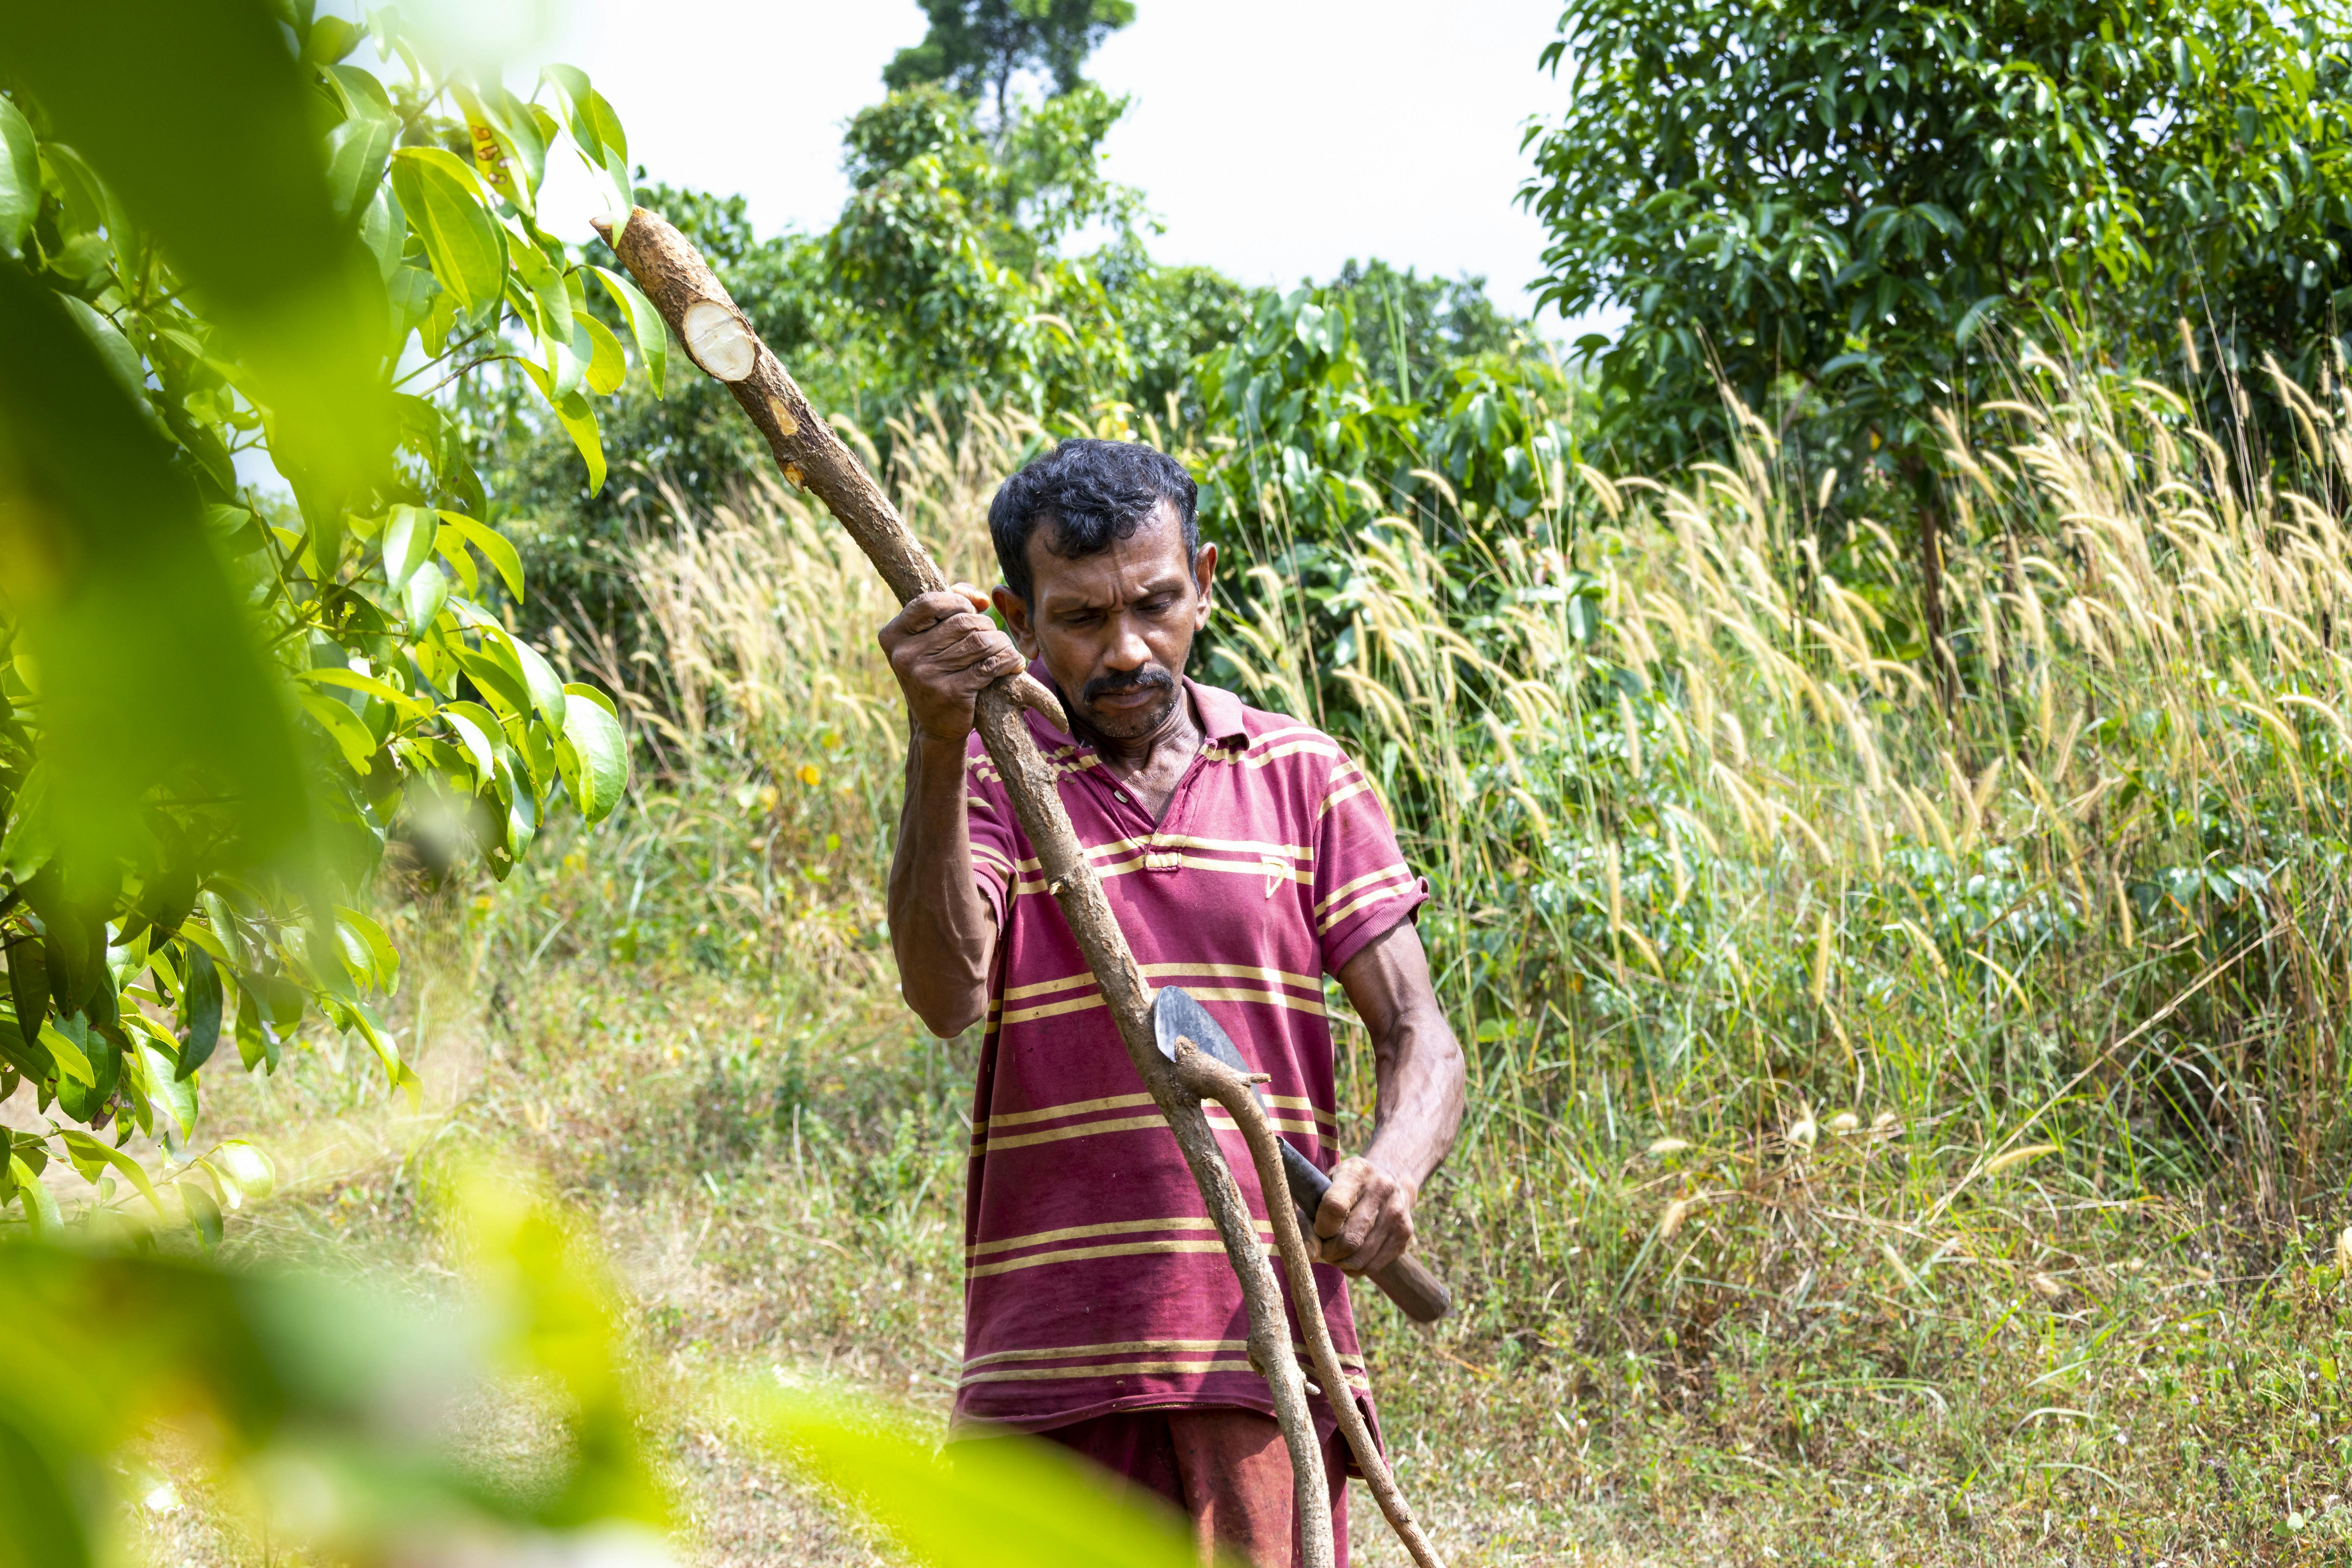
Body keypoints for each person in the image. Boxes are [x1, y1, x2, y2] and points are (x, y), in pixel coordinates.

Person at [881, 439, 1465, 1566]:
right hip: (1043, 1366)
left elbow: (1418, 1034)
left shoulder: (1302, 775)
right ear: (1015, 615)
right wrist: (937, 739)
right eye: (1082, 620)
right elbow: (946, 992)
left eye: (1156, 606)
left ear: (1204, 578)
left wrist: (1392, 1172)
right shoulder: (993, 785)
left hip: (1264, 1361)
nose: (1127, 652)